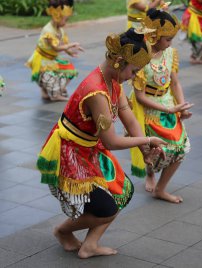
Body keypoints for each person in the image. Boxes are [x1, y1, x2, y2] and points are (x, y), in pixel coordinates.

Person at [36, 28, 166, 258]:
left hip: (89, 149)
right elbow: (112, 141)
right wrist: (147, 138)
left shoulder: (112, 80)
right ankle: (62, 231)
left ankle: (89, 245)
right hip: (71, 154)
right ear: (118, 61)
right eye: (134, 71)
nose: (134, 77)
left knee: (121, 190)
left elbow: (127, 113)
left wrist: (145, 150)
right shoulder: (96, 91)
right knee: (106, 208)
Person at [130, 8, 193, 203]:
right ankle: (150, 173)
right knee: (151, 149)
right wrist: (168, 109)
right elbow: (139, 97)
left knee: (180, 148)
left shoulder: (171, 53)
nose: (170, 44)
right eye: (167, 39)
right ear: (154, 36)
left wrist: (181, 106)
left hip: (168, 103)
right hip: (149, 109)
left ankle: (160, 188)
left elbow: (175, 82)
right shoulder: (141, 57)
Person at [26, 0, 83, 101]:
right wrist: (70, 45)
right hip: (42, 61)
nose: (66, 22)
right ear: (57, 16)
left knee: (69, 69)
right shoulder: (48, 30)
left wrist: (70, 52)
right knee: (50, 77)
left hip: (51, 60)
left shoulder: (59, 29)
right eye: (65, 19)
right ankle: (54, 93)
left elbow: (61, 44)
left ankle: (53, 90)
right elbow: (56, 48)